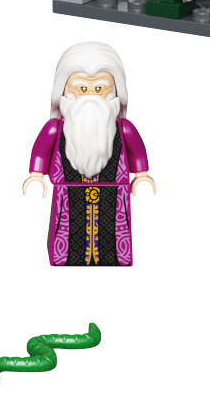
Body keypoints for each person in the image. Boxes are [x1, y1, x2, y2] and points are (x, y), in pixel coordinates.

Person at [23, 40, 155, 265]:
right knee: (67, 239)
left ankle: (115, 259)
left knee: (113, 241)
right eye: (82, 88)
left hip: (114, 194)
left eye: (100, 88)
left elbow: (136, 151)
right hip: (67, 193)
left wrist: (141, 175)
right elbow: (41, 151)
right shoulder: (56, 128)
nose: (91, 95)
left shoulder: (123, 128)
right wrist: (36, 175)